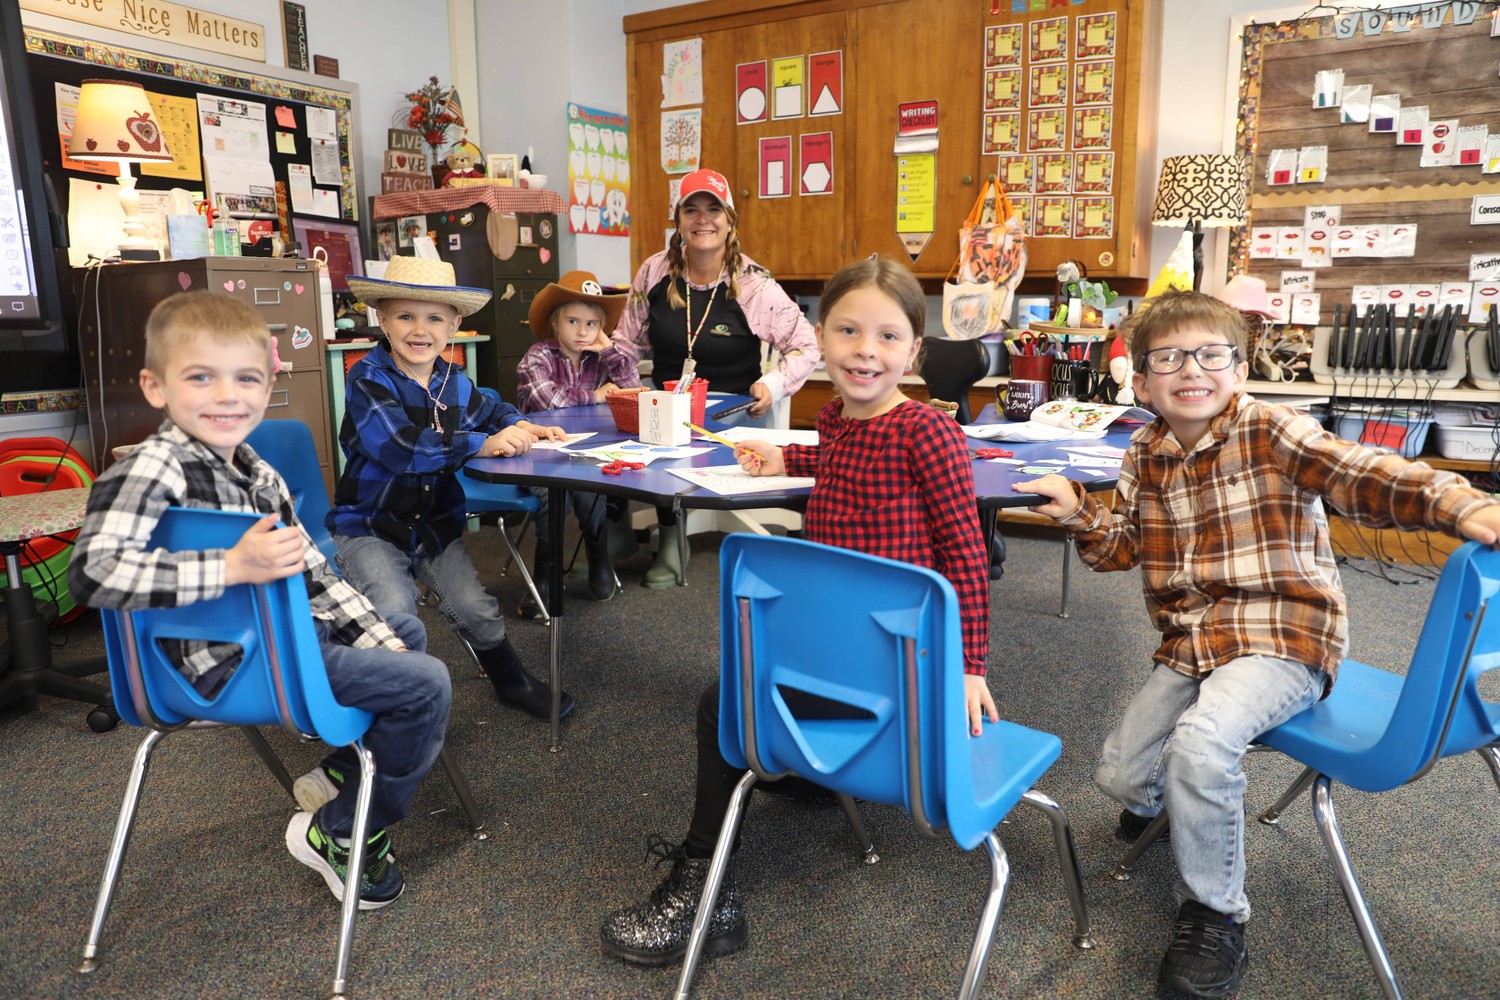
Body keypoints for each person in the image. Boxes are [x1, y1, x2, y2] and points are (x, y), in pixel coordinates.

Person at [1015, 290, 1500, 999]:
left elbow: (1362, 472)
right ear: (1142, 381)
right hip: (1192, 639)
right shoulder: (1144, 451)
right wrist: (1081, 513)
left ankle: (1215, 913)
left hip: (1284, 632)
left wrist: (1462, 503)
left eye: (1213, 354)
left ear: (1239, 369)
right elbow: (1124, 549)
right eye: (1169, 357)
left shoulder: (1272, 430)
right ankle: (1182, 802)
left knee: (1202, 745)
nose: (1193, 369)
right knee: (1120, 777)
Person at [598, 257, 995, 966]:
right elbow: (843, 464)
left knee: (722, 705)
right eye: (847, 331)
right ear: (819, 336)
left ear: (914, 351)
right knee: (745, 691)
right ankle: (803, 786)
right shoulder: (836, 418)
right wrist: (787, 462)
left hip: (898, 670)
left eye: (887, 336)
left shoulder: (930, 433)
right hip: (838, 654)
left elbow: (965, 554)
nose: (865, 351)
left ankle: (705, 888)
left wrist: (969, 667)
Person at [68, 291, 452, 910]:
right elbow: (90, 574)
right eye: (201, 377)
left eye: (246, 377)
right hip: (234, 662)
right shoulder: (150, 469)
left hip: (292, 638)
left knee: (404, 633)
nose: (227, 395)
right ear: (155, 387)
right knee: (428, 686)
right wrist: (229, 565)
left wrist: (385, 642)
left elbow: (317, 574)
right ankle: (345, 831)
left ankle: (343, 773)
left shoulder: (261, 476)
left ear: (269, 382)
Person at [327, 256, 575, 721]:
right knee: (395, 609)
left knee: (477, 609)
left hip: (435, 526)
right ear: (380, 317)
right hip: (371, 526)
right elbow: (401, 448)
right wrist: (482, 444)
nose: (420, 329)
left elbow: (491, 408)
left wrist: (519, 423)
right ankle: (388, 705)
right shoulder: (366, 379)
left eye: (434, 318)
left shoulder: (452, 380)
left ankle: (512, 681)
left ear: (454, 324)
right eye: (405, 316)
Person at [612, 167, 819, 588]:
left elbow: (806, 346)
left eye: (714, 209)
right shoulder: (654, 272)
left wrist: (773, 384)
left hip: (734, 410)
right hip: (665, 405)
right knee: (617, 429)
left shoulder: (754, 284)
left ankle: (672, 539)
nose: (703, 219)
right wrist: (627, 386)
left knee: (674, 435)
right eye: (692, 209)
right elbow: (624, 343)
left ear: (729, 221)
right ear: (679, 220)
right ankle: (614, 534)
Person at [514, 269, 637, 617]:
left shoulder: (601, 357)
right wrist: (596, 396)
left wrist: (611, 350)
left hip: (585, 454)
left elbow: (633, 391)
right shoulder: (537, 356)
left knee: (589, 487)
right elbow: (545, 399)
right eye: (573, 321)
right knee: (552, 494)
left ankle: (599, 559)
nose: (582, 331)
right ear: (555, 323)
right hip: (538, 456)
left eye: (591, 324)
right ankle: (545, 579)